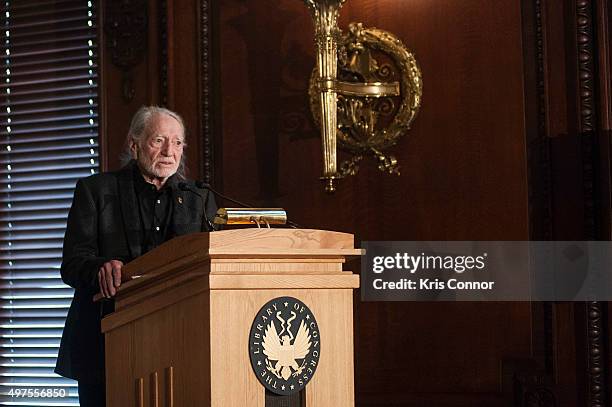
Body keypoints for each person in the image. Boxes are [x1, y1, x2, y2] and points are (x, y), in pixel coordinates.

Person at [54, 106, 217, 407]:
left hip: (179, 342)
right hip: (105, 344)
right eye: (159, 140)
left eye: (178, 142)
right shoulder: (96, 191)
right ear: (134, 145)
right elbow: (73, 263)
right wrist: (101, 267)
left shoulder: (198, 198)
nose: (170, 151)